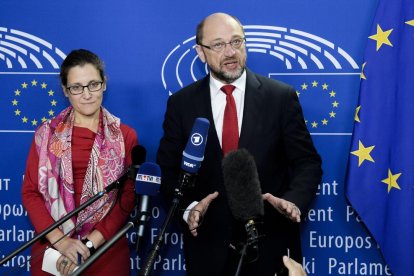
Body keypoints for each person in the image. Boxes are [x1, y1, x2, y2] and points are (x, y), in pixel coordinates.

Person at [157, 12, 322, 276]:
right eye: (219, 45)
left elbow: (308, 163)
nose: (230, 52)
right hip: (208, 250)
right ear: (200, 52)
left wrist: (292, 202)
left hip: (272, 244)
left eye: (236, 42)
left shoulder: (280, 97)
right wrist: (189, 209)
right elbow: (167, 171)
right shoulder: (181, 104)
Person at [21, 49, 138, 276]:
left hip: (105, 250)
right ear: (66, 91)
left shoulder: (125, 136)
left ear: (104, 84)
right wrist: (62, 242)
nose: (87, 94)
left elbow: (127, 197)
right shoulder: (46, 134)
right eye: (77, 87)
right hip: (54, 249)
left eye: (93, 84)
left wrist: (90, 243)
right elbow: (31, 193)